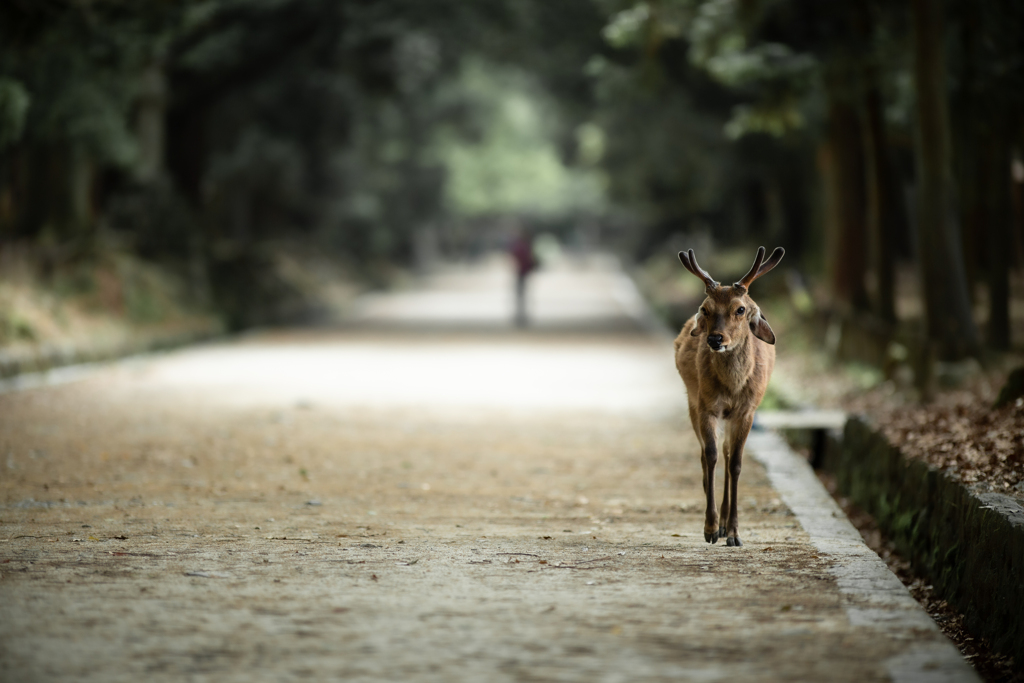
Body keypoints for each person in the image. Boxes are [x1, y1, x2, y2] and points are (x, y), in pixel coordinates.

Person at [508, 230, 537, 327]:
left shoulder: (520, 246)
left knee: (520, 295)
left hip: (521, 273)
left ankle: (520, 316)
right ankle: (521, 316)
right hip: (522, 273)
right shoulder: (524, 246)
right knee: (521, 295)